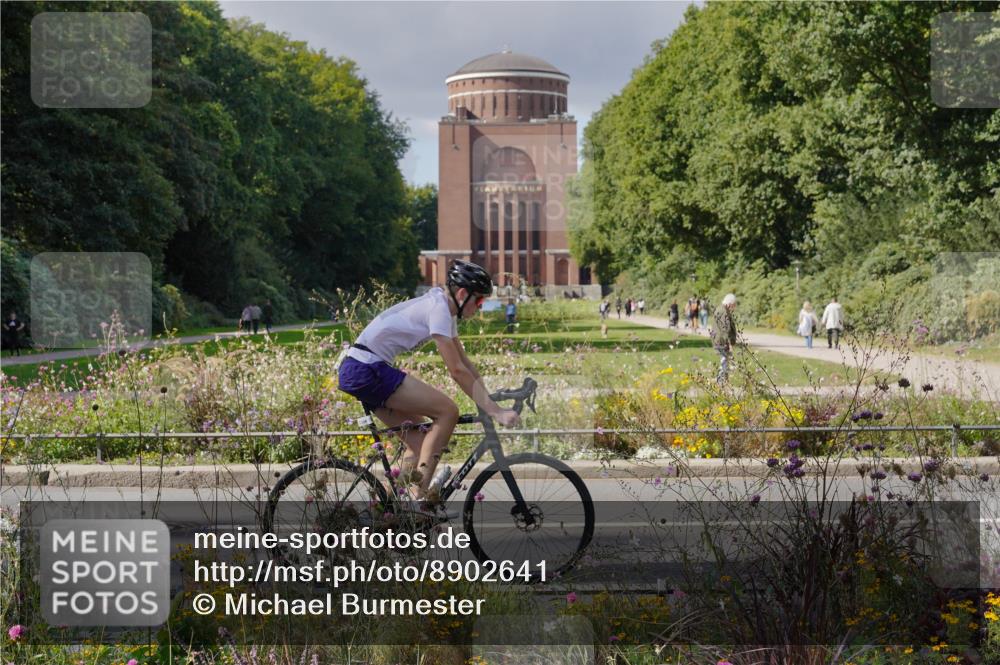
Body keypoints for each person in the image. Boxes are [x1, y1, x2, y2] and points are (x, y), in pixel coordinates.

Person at [337, 260, 521, 509]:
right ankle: (418, 502)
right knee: (448, 411)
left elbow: (465, 364)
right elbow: (456, 371)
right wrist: (494, 411)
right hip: (366, 368)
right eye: (479, 301)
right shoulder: (439, 310)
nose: (480, 307)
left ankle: (388, 514)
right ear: (462, 294)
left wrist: (489, 400)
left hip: (362, 369)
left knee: (417, 443)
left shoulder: (445, 309)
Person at [711, 294, 738, 384]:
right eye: (734, 305)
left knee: (724, 360)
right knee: (724, 361)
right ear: (730, 304)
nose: (734, 308)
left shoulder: (721, 309)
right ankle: (721, 382)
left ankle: (723, 381)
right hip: (722, 341)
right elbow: (725, 329)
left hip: (719, 339)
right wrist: (730, 343)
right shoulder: (723, 311)